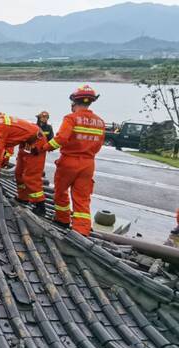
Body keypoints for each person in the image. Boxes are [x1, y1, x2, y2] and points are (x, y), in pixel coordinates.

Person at [42, 85, 105, 236]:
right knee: (82, 198)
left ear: (74, 102)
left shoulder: (71, 118)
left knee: (61, 191)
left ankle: (62, 220)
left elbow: (61, 139)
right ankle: (81, 231)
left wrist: (44, 147)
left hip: (69, 162)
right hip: (88, 163)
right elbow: (99, 144)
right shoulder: (100, 122)